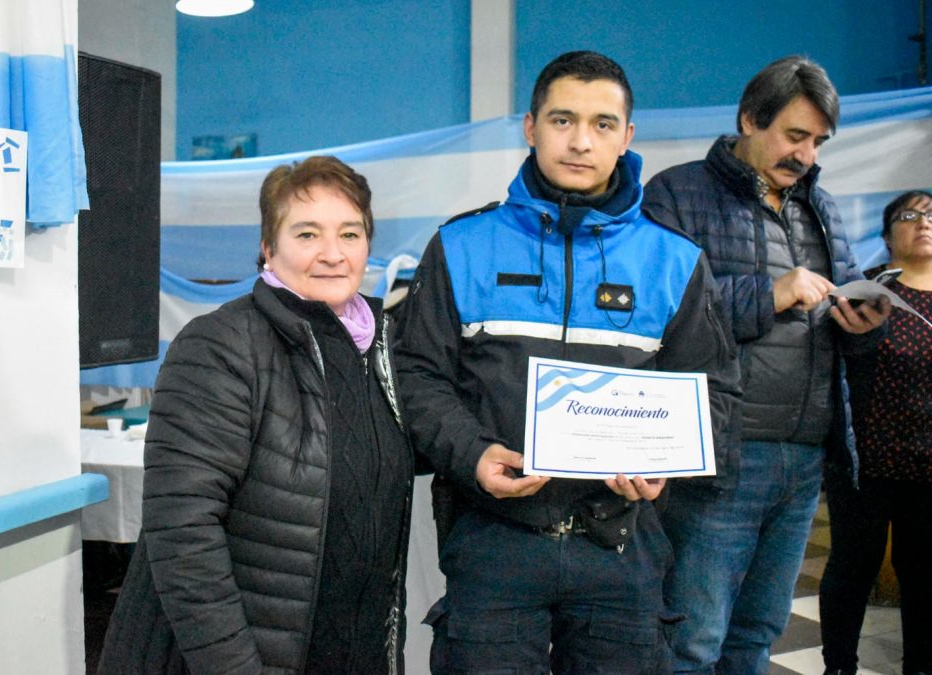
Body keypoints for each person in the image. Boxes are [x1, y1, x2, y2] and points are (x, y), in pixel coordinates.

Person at [394, 50, 740, 674]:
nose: (581, 141)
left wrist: (663, 463)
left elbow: (714, 395)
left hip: (624, 545)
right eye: (562, 120)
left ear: (627, 137)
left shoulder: (675, 261)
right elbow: (416, 375)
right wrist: (471, 453)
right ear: (531, 128)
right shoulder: (461, 245)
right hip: (492, 540)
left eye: (603, 124)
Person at [97, 156, 415, 674]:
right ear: (269, 247)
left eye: (350, 234)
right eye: (307, 234)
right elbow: (182, 533)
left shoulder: (379, 351)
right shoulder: (219, 346)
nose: (333, 254)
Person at [642, 55, 890, 674]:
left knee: (757, 634)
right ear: (750, 119)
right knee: (693, 637)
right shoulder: (676, 194)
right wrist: (768, 293)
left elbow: (847, 293)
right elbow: (653, 315)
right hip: (720, 453)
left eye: (818, 141)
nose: (806, 154)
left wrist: (861, 326)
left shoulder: (822, 208)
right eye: (794, 135)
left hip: (805, 456)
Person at [818, 190, 932, 675]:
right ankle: (838, 665)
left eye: (931, 216)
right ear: (887, 236)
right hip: (864, 459)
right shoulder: (862, 291)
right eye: (909, 215)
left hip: (929, 465)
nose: (923, 223)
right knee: (851, 569)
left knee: (924, 573)